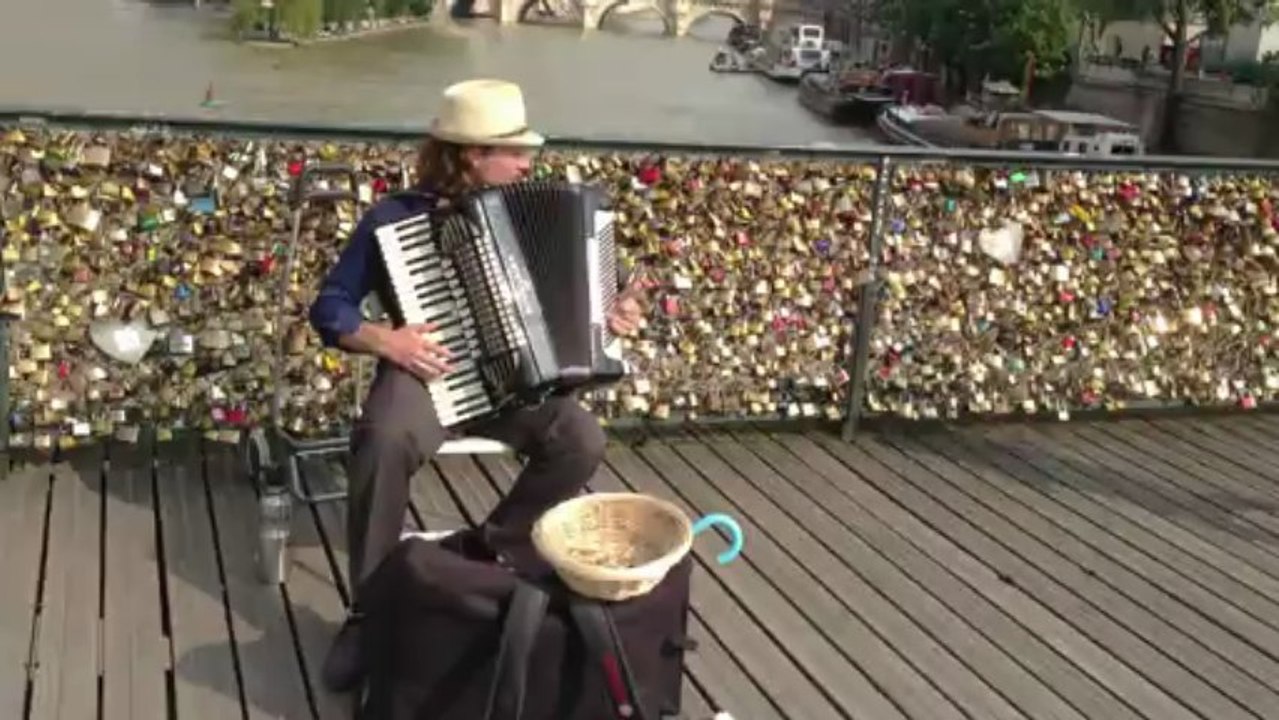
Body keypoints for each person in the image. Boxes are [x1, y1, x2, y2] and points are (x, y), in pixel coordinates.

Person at [307, 78, 645, 693]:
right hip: (427, 374)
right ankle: (370, 611)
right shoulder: (397, 218)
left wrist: (618, 313)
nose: (527, 164)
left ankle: (483, 550)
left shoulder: (562, 211)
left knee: (581, 439)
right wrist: (389, 341)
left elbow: (607, 301)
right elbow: (330, 308)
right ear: (471, 154)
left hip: (513, 389)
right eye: (514, 152)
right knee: (383, 438)